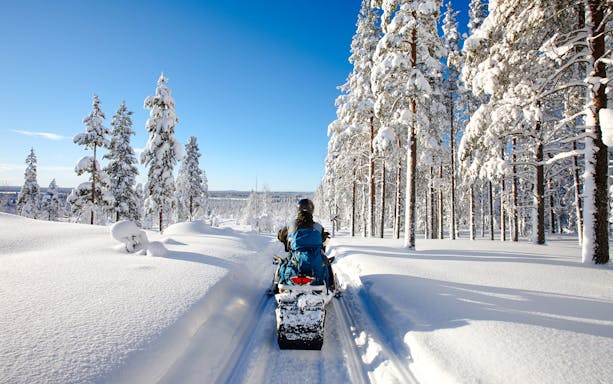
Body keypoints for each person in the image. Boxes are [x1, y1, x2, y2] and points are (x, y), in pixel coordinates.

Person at [272, 198, 335, 293]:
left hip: (296, 257)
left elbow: (281, 236)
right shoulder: (318, 227)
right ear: (311, 210)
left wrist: (285, 240)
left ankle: (276, 286)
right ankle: (331, 286)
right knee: (326, 263)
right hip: (315, 259)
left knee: (283, 263)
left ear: (298, 209)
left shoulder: (291, 224)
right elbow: (324, 239)